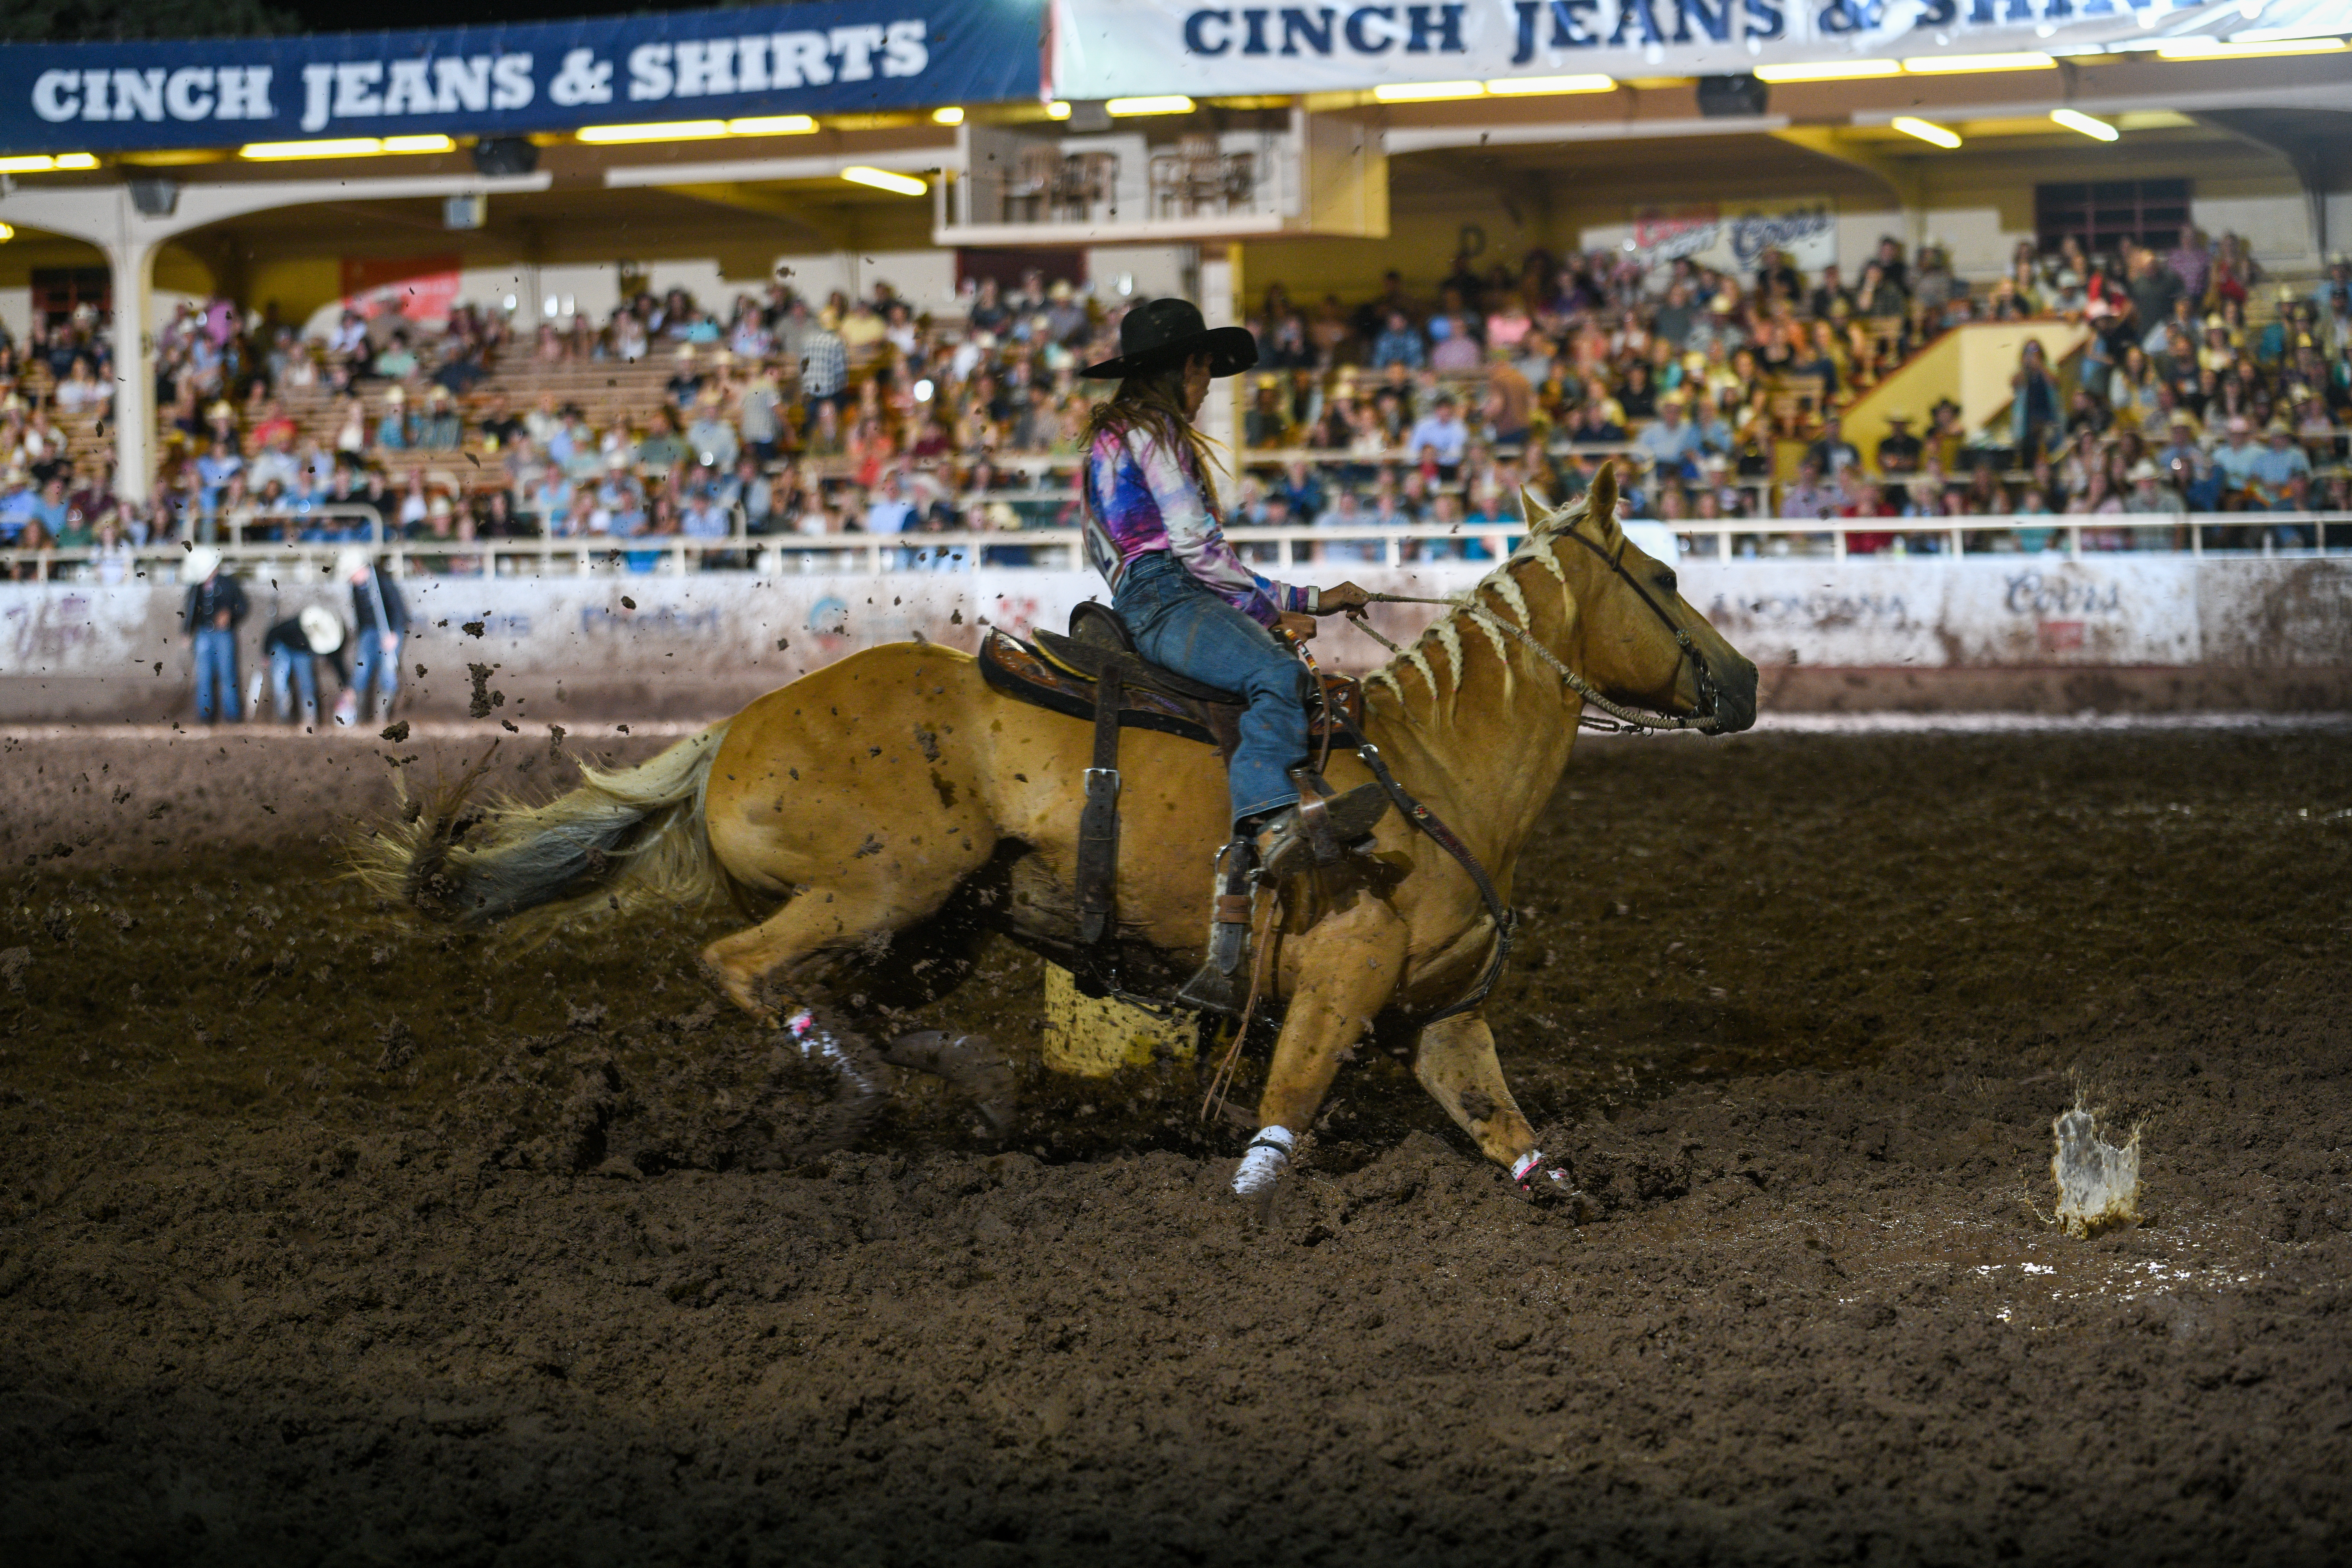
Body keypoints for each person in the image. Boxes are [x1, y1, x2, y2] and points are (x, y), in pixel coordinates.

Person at [1075, 296, 1382, 877]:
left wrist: (1313, 600)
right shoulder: (1156, 431)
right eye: (1206, 370)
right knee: (1276, 672)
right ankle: (1269, 816)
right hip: (1169, 597)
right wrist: (1267, 616)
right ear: (1187, 366)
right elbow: (1197, 548)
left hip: (1151, 594)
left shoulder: (1112, 441)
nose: (1211, 385)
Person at [342, 548, 409, 725]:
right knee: (361, 670)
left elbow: (399, 610)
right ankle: (359, 716)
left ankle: (382, 717)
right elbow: (361, 616)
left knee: (388, 672)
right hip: (369, 631)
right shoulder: (356, 588)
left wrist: (394, 634)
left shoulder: (383, 583)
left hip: (389, 630)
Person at [182, 545, 247, 725]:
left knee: (228, 675)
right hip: (204, 633)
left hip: (223, 635)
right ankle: (205, 717)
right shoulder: (196, 588)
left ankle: (233, 717)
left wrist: (230, 614)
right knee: (204, 676)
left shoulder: (229, 584)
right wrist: (187, 632)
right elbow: (190, 610)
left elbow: (242, 606)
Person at [263, 604, 344, 728]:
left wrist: (346, 684)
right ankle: (283, 721)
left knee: (307, 684)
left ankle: (310, 721)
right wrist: (266, 653)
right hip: (282, 647)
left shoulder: (321, 633)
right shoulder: (294, 626)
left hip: (302, 652)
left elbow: (335, 659)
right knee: (280, 684)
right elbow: (274, 631)